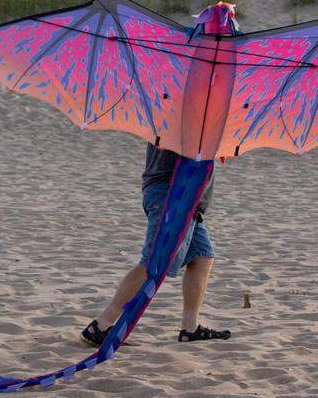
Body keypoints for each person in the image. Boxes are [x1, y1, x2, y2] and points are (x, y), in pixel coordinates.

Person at [81, 146, 231, 347]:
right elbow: (189, 143)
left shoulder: (197, 122)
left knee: (202, 256)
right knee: (152, 262)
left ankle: (190, 328)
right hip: (172, 194)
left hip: (186, 198)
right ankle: (100, 326)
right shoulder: (185, 118)